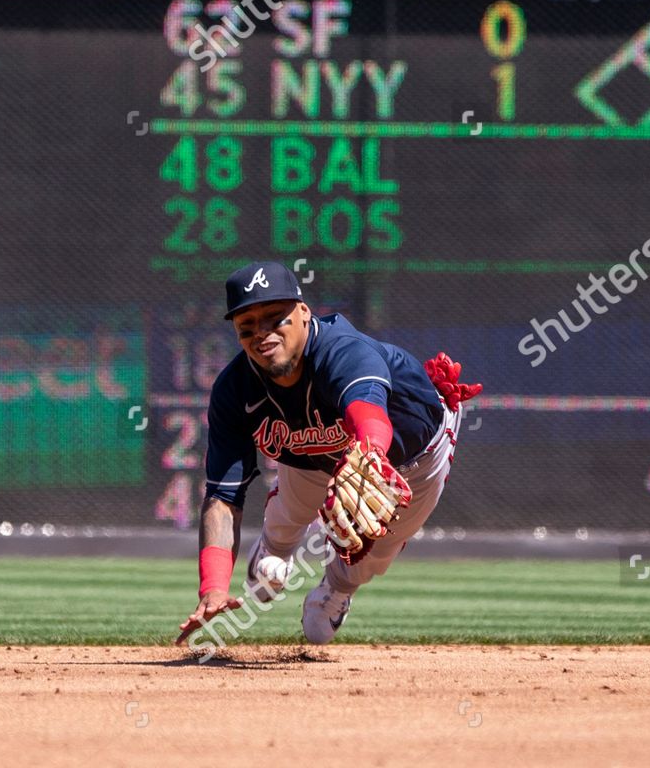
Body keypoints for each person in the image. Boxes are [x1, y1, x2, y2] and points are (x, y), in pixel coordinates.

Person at [175, 262, 479, 648]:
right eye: (247, 325)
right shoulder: (234, 390)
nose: (262, 333)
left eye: (274, 317)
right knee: (286, 519)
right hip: (313, 457)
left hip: (412, 458)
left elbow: (368, 413)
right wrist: (213, 587)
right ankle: (274, 549)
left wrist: (369, 456)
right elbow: (222, 496)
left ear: (304, 312)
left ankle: (337, 590)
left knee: (371, 553)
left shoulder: (342, 351)